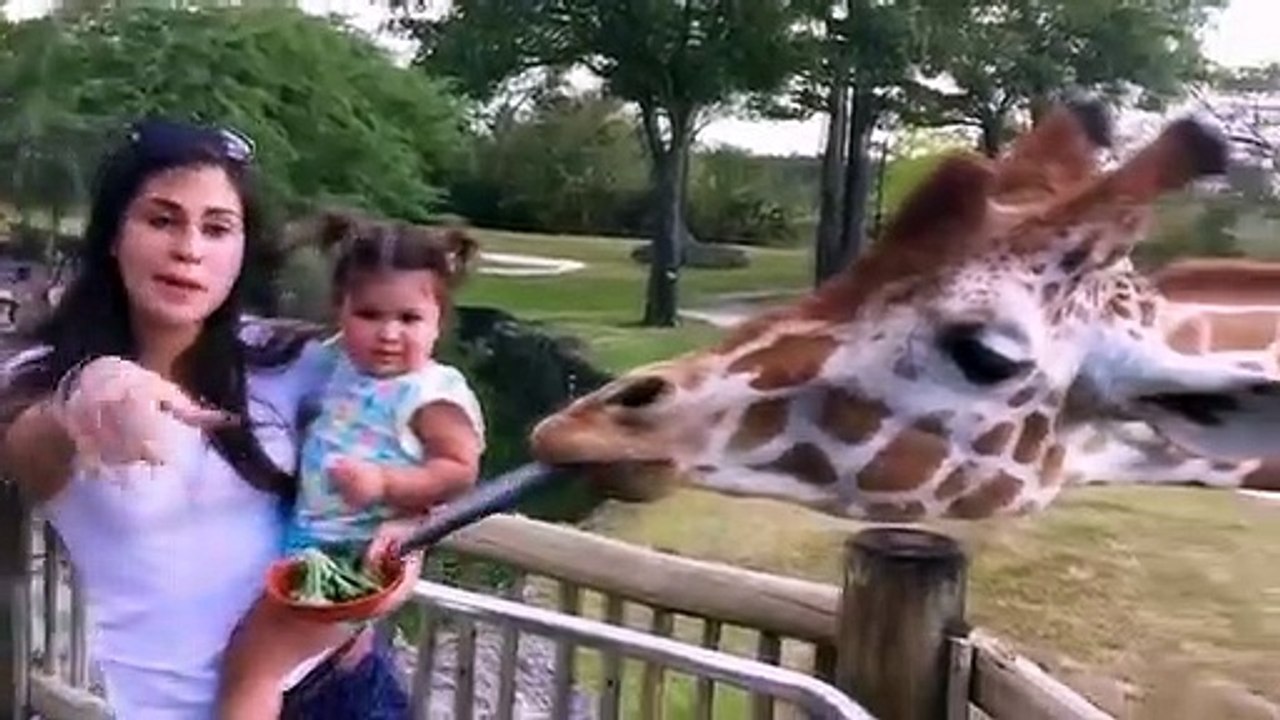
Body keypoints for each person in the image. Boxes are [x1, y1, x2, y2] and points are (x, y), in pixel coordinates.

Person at [0, 118, 477, 719]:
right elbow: (25, 442)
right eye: (162, 220)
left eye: (218, 228)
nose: (190, 249)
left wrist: (403, 524)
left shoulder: (288, 358)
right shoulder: (40, 379)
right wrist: (89, 393)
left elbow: (410, 415)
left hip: (348, 688)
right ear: (115, 235)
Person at [215, 209, 486, 720]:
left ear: (438, 322)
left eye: (408, 319)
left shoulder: (430, 393)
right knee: (322, 661)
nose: (388, 333)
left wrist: (387, 483)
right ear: (341, 311)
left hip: (357, 554)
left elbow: (458, 470)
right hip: (314, 543)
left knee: (252, 664)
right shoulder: (344, 367)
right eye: (369, 315)